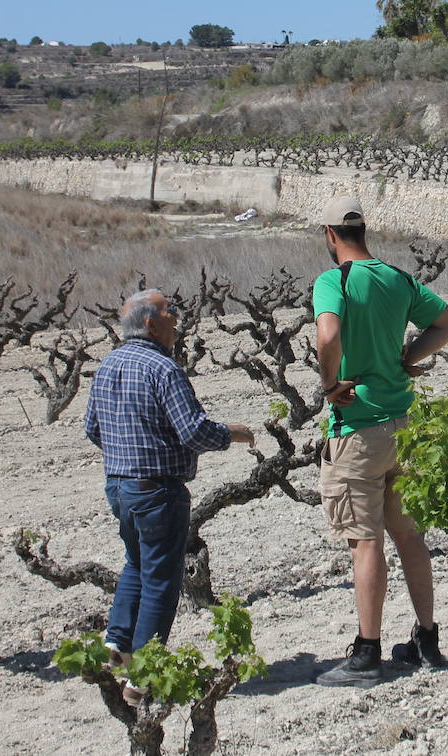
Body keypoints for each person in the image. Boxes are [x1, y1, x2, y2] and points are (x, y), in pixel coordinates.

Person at [312, 195, 448, 688]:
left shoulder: (334, 281)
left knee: (365, 541)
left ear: (330, 235)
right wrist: (405, 357)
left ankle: (368, 652)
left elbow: (328, 333)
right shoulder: (397, 278)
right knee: (410, 535)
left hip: (358, 430)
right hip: (405, 423)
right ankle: (426, 638)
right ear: (361, 232)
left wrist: (330, 383)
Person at [84, 288, 255, 702]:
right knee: (162, 580)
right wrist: (234, 434)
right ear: (150, 322)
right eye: (170, 311)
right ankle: (143, 676)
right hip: (158, 490)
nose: (177, 317)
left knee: (136, 565)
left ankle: (117, 647)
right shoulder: (163, 369)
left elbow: (92, 429)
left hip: (119, 486)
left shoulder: (107, 366)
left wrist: (128, 449)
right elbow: (194, 431)